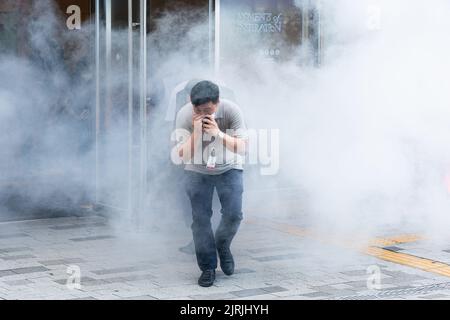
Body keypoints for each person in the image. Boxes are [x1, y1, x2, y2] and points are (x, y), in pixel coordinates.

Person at [175, 80, 247, 287]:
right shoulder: (184, 114)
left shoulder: (232, 110)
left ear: (217, 103)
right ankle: (207, 267)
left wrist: (217, 133)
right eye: (198, 109)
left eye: (207, 110)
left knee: (234, 215)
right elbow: (182, 155)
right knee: (200, 220)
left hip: (229, 167)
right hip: (197, 169)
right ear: (191, 103)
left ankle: (222, 244)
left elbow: (243, 148)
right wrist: (197, 133)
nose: (202, 113)